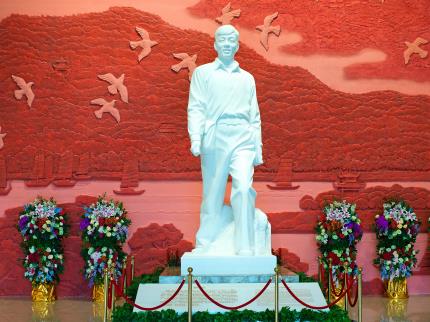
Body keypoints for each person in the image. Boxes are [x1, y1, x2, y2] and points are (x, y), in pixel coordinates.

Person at [187, 24, 263, 256]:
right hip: (215, 134)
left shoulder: (247, 78)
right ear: (215, 44)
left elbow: (255, 116)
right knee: (213, 190)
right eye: (223, 40)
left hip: (242, 136)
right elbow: (196, 107)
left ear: (238, 45)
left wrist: (258, 148)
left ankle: (244, 245)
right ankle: (206, 241)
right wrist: (196, 138)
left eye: (232, 40)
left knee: (243, 187)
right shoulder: (203, 73)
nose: (228, 44)